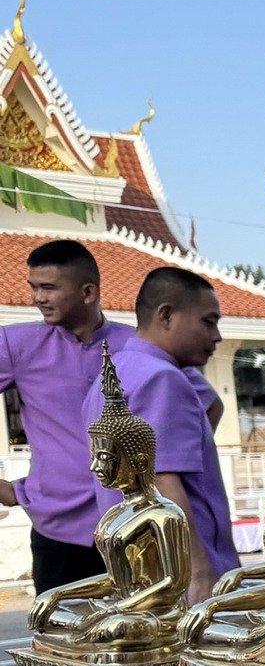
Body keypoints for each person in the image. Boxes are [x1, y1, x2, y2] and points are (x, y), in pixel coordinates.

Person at [0, 239, 135, 594]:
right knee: (59, 646)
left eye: (49, 288)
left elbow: (202, 406)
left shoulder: (135, 345)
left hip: (132, 525)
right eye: (34, 287)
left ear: (88, 292)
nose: (37, 298)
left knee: (139, 643)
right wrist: (8, 490)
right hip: (57, 531)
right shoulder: (16, 345)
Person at [102, 267, 238, 602]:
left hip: (137, 569)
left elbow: (213, 406)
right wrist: (200, 574)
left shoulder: (114, 372)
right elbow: (162, 480)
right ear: (166, 315)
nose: (217, 336)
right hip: (181, 576)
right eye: (208, 321)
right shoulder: (163, 378)